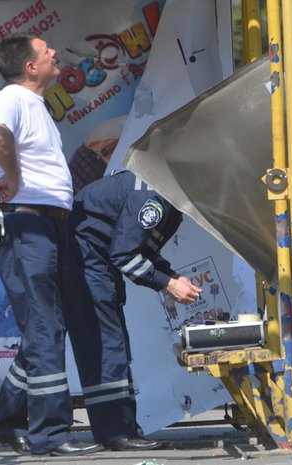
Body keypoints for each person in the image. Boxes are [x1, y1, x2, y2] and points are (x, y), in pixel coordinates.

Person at [0, 32, 102, 457]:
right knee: (45, 328)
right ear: (31, 67)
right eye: (46, 50)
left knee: (44, 330)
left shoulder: (35, 104)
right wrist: (13, 176)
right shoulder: (10, 98)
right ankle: (50, 433)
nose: (54, 52)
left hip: (48, 225)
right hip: (27, 226)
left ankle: (7, 421)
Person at [65, 170, 202, 451]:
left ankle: (121, 428)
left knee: (110, 345)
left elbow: (141, 250)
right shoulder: (153, 201)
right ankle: (116, 432)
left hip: (93, 260)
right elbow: (125, 256)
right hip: (86, 260)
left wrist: (172, 277)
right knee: (107, 345)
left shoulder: (166, 199)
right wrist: (169, 284)